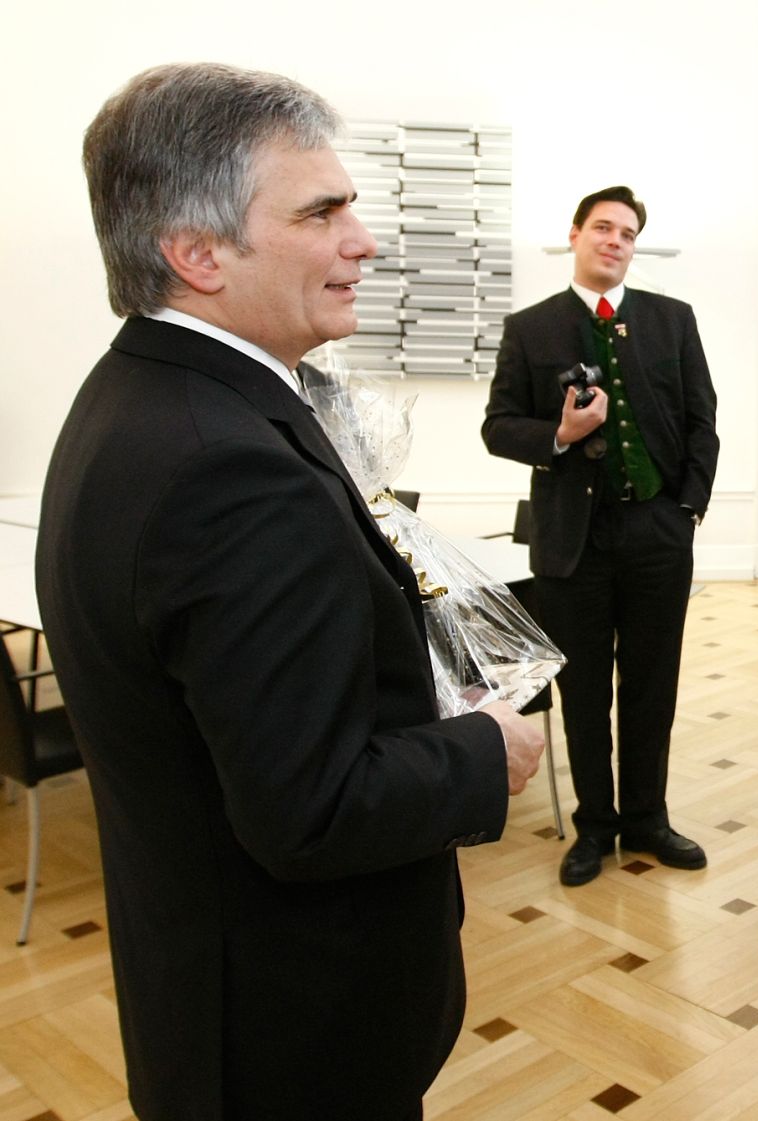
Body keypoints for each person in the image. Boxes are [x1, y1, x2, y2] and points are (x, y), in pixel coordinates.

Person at [35, 63, 544, 1121]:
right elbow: (307, 809)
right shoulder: (228, 467)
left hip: (218, 997)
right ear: (197, 252)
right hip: (293, 1035)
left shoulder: (145, 395)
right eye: (322, 211)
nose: (363, 238)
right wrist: (483, 750)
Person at [483, 185, 719, 886]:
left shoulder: (672, 319)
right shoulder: (531, 327)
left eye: (627, 233)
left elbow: (704, 418)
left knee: (652, 684)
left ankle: (647, 816)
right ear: (576, 235)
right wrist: (558, 433)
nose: (616, 241)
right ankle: (596, 826)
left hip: (657, 532)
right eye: (604, 228)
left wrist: (688, 510)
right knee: (585, 691)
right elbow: (497, 426)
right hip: (571, 541)